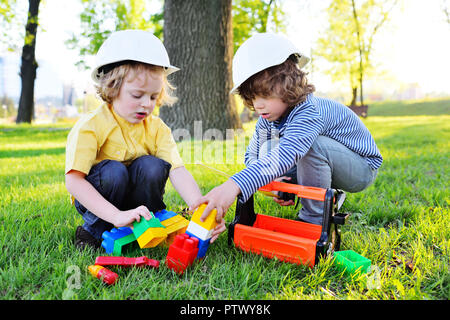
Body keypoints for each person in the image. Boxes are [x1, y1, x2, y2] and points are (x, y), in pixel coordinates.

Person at [192, 33, 383, 241]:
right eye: (252, 97)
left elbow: (287, 154)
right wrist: (272, 180)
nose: (258, 105)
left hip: (361, 167)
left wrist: (233, 186)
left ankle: (314, 219)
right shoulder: (268, 117)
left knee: (311, 146)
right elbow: (253, 156)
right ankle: (314, 194)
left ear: (288, 85)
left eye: (264, 95)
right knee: (267, 151)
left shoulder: (308, 111)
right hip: (327, 160)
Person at [65, 30, 213, 250]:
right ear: (112, 88)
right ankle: (93, 231)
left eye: (153, 96)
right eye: (137, 95)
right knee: (114, 172)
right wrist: (115, 216)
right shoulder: (91, 126)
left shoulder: (156, 127)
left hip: (136, 200)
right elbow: (74, 181)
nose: (147, 104)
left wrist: (197, 204)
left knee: (152, 165)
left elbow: (177, 170)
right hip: (101, 199)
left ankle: (147, 221)